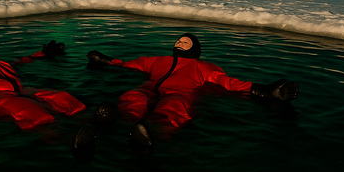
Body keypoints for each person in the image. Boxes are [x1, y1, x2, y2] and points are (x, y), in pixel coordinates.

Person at [86, 32, 299, 156]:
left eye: (185, 42)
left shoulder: (203, 67)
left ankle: (155, 134)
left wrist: (264, 90)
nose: (179, 43)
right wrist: (105, 61)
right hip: (149, 88)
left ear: (194, 48)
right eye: (178, 41)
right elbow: (131, 64)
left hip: (179, 94)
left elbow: (227, 83)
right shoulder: (158, 60)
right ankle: (120, 123)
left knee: (173, 106)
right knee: (133, 96)